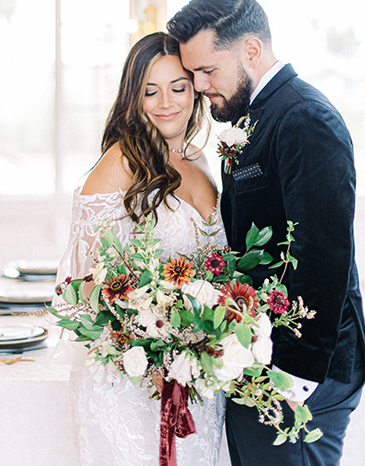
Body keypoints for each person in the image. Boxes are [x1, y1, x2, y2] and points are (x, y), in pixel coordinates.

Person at [167, 0, 365, 466]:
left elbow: (322, 252)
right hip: (263, 356)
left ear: (252, 50)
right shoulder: (258, 113)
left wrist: (292, 377)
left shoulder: (305, 118)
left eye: (207, 71)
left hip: (302, 371)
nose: (198, 86)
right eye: (193, 74)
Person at [53, 31, 228, 466]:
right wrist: (149, 327)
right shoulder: (120, 162)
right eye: (150, 90)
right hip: (134, 385)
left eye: (177, 87)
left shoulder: (200, 160)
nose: (165, 102)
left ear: (196, 91)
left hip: (196, 375)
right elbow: (84, 285)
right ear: (134, 97)